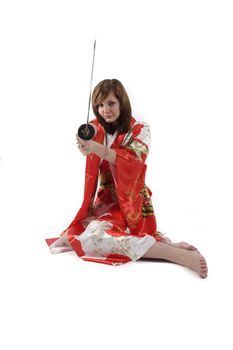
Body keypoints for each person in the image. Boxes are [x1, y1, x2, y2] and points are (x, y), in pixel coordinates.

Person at [46, 79, 208, 278]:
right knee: (73, 236)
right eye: (100, 104)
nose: (105, 110)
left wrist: (96, 148)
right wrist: (84, 144)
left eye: (111, 103)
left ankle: (175, 255)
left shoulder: (141, 129)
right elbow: (89, 143)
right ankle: (161, 245)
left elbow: (133, 162)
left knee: (95, 238)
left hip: (133, 204)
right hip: (106, 204)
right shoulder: (96, 128)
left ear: (122, 102)